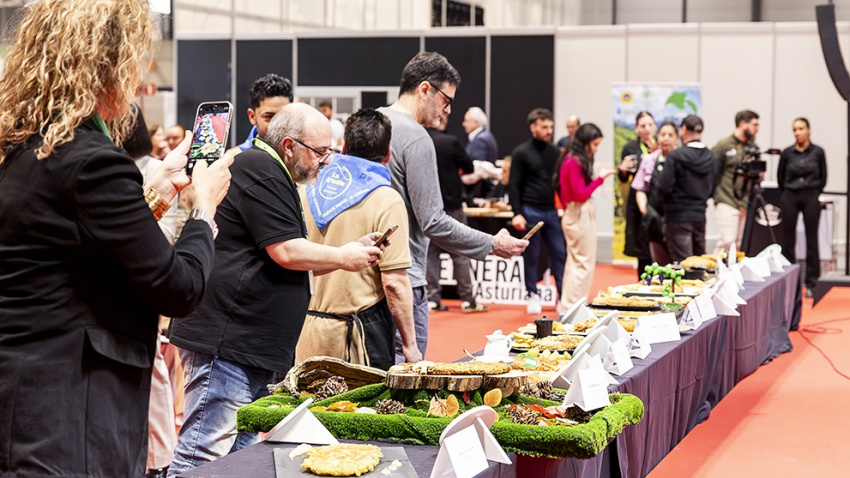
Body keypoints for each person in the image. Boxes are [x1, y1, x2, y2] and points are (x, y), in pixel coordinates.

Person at [0, 1, 233, 476]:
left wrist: (160, 191)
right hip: (69, 417)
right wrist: (203, 209)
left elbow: (83, 247)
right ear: (108, 64)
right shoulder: (92, 161)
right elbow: (178, 287)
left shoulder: (23, 149)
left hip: (24, 401)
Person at [167, 103, 384, 476]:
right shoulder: (261, 169)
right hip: (229, 343)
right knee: (202, 458)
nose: (325, 162)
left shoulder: (268, 170)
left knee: (236, 459)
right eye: (320, 152)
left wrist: (349, 252)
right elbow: (285, 251)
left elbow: (286, 249)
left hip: (246, 345)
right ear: (289, 146)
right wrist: (344, 257)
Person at [378, 51, 528, 361]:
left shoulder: (369, 123)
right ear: (424, 90)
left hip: (362, 282)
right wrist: (492, 243)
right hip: (405, 281)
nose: (447, 110)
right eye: (446, 100)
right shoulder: (417, 138)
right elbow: (433, 221)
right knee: (401, 388)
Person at [295, 109, 421, 369]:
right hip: (358, 343)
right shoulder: (386, 199)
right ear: (388, 154)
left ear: (343, 147)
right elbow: (395, 284)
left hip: (304, 331)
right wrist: (410, 346)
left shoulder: (306, 189)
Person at [426, 116, 488, 313]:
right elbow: (469, 167)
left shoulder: (421, 142)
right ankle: (467, 299)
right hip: (452, 204)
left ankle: (432, 298)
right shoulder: (450, 142)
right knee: (460, 252)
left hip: (427, 205)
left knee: (430, 254)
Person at [555, 123, 621, 306]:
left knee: (575, 263)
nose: (596, 149)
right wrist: (600, 178)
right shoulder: (574, 161)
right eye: (595, 144)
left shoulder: (571, 159)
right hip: (578, 213)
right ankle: (573, 307)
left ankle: (569, 305)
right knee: (583, 264)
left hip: (574, 212)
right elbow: (581, 194)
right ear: (586, 142)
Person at [509, 108, 566, 314]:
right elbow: (513, 184)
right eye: (544, 127)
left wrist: (562, 207)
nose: (548, 130)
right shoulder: (521, 153)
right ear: (533, 127)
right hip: (529, 210)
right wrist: (517, 212)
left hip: (551, 211)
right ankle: (532, 294)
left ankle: (562, 297)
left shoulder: (554, 152)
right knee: (531, 255)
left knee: (559, 253)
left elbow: (559, 183)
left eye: (550, 127)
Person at [655, 115, 720, 262]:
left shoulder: (675, 157)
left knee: (683, 264)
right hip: (700, 215)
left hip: (677, 217)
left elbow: (662, 186)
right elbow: (714, 187)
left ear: (683, 130)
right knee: (699, 264)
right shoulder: (712, 158)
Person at [778, 117, 827, 297]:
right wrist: (789, 191)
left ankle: (812, 282)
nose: (798, 132)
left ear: (809, 130)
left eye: (801, 129)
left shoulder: (818, 152)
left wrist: (813, 191)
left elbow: (823, 177)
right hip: (790, 196)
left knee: (812, 240)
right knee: (788, 241)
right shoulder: (787, 153)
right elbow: (780, 178)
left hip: (811, 196)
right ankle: (790, 281)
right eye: (795, 129)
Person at [630, 120, 679, 266]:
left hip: (677, 219)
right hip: (654, 218)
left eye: (670, 135)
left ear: (677, 138)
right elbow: (640, 188)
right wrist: (645, 210)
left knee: (679, 264)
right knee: (659, 265)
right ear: (657, 138)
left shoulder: (682, 159)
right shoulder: (649, 160)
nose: (666, 138)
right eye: (663, 134)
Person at [712, 109, 760, 253]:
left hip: (745, 201)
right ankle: (715, 273)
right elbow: (711, 168)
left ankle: (734, 274)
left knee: (739, 245)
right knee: (727, 241)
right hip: (726, 199)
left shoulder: (753, 148)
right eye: (754, 125)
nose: (757, 129)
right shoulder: (724, 144)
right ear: (742, 124)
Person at [620, 111, 655, 277]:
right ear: (636, 128)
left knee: (659, 248)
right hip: (637, 201)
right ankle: (644, 283)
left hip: (657, 200)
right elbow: (623, 177)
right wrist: (623, 169)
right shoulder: (630, 148)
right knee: (642, 251)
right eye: (643, 126)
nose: (647, 129)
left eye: (650, 125)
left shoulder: (660, 146)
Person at [228, 73, 293, 155]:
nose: (278, 125)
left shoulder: (303, 157)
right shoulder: (233, 159)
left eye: (284, 117)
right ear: (252, 116)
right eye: (269, 117)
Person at [461, 106, 499, 202]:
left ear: (476, 122)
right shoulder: (484, 136)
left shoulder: (480, 139)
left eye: (466, 121)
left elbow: (478, 168)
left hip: (479, 192)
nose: (464, 124)